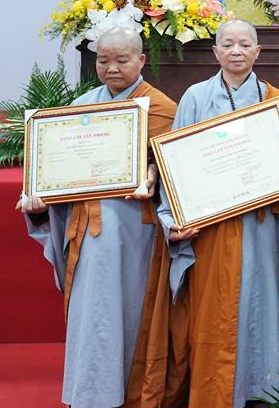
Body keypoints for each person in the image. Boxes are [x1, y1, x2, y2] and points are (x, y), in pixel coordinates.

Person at [20, 27, 183, 407]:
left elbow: (177, 168)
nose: (112, 68)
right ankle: (91, 395)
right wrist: (40, 199)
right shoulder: (82, 106)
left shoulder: (161, 108)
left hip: (135, 234)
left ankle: (133, 397)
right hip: (86, 233)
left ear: (141, 61)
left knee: (129, 317)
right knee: (92, 316)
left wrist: (153, 174)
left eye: (122, 60)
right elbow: (58, 170)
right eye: (104, 60)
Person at [158, 18, 279, 407]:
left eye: (245, 44)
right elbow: (174, 164)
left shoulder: (273, 98)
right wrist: (172, 218)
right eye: (227, 44)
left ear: (257, 52)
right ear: (215, 52)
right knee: (216, 306)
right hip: (214, 224)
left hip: (262, 222)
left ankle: (264, 388)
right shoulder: (195, 97)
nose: (236, 51)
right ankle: (216, 389)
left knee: (263, 299)